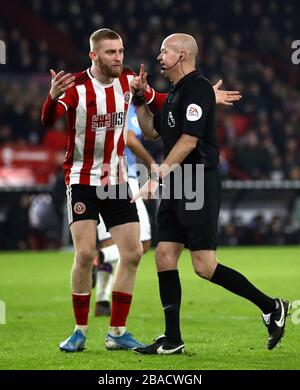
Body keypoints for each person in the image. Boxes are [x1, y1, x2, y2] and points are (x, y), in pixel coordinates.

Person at [41, 27, 241, 353]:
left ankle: (117, 332)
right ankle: (79, 330)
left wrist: (204, 96)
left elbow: (160, 100)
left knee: (134, 253)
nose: (119, 58)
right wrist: (51, 97)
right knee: (86, 253)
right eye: (111, 53)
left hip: (117, 180)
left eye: (121, 51)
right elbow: (49, 122)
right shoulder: (75, 87)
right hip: (82, 180)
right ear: (94, 55)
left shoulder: (128, 81)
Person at [130, 33, 290, 354]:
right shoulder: (175, 93)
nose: (159, 56)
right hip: (178, 180)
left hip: (198, 180)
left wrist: (158, 174)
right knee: (163, 256)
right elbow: (150, 131)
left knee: (203, 266)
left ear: (183, 56)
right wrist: (140, 100)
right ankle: (172, 339)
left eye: (165, 51)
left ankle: (272, 307)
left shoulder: (198, 88)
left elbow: (190, 141)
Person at [94, 104, 154, 317]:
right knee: (142, 243)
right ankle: (99, 256)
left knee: (111, 241)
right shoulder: (126, 106)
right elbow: (128, 137)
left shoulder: (104, 104)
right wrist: (151, 162)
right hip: (123, 178)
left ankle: (102, 300)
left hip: (99, 177)